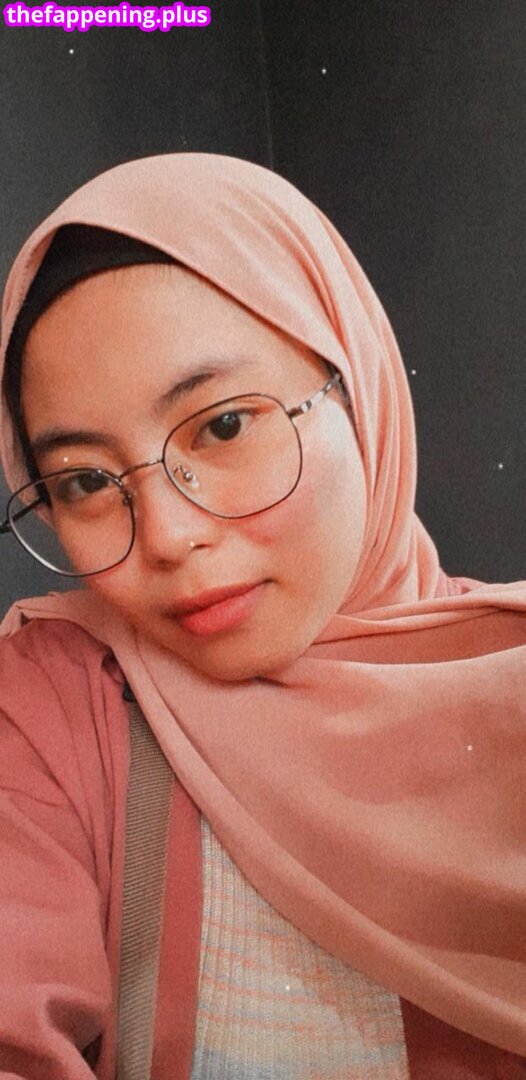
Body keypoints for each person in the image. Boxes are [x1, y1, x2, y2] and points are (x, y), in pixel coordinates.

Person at [0, 153, 524, 1080]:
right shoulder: (58, 700)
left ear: (355, 385)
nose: (168, 537)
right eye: (83, 482)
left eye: (224, 425)